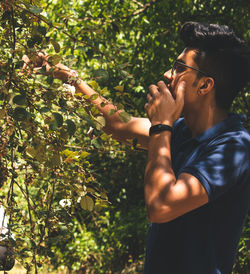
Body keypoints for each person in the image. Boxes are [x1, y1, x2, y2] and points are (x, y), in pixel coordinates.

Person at [23, 21, 250, 274]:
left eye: (178, 68)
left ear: (205, 85)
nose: (167, 74)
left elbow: (162, 206)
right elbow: (117, 124)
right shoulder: (183, 131)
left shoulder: (235, 147)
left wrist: (162, 124)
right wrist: (66, 77)